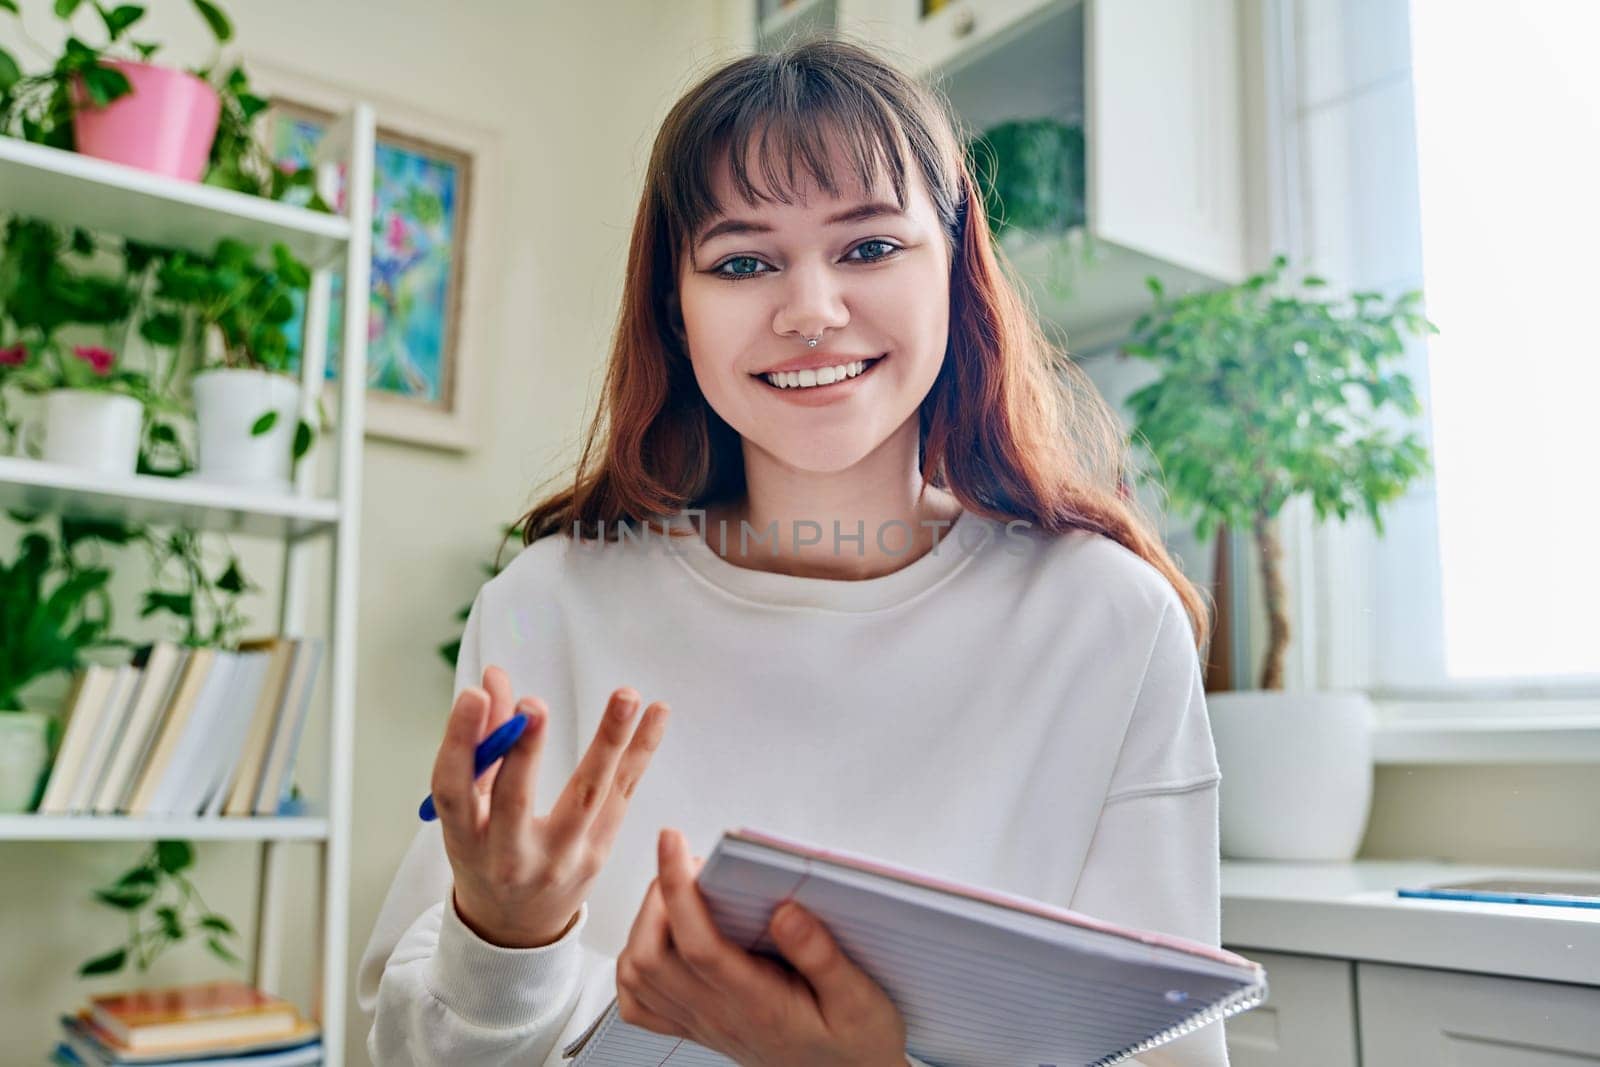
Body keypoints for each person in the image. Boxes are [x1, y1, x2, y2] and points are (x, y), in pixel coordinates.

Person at [357, 33, 1229, 1067]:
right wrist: (506, 933)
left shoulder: (1108, 621)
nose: (811, 311)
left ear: (956, 270)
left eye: (867, 247)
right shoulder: (550, 600)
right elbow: (408, 1048)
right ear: (675, 313)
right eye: (740, 261)